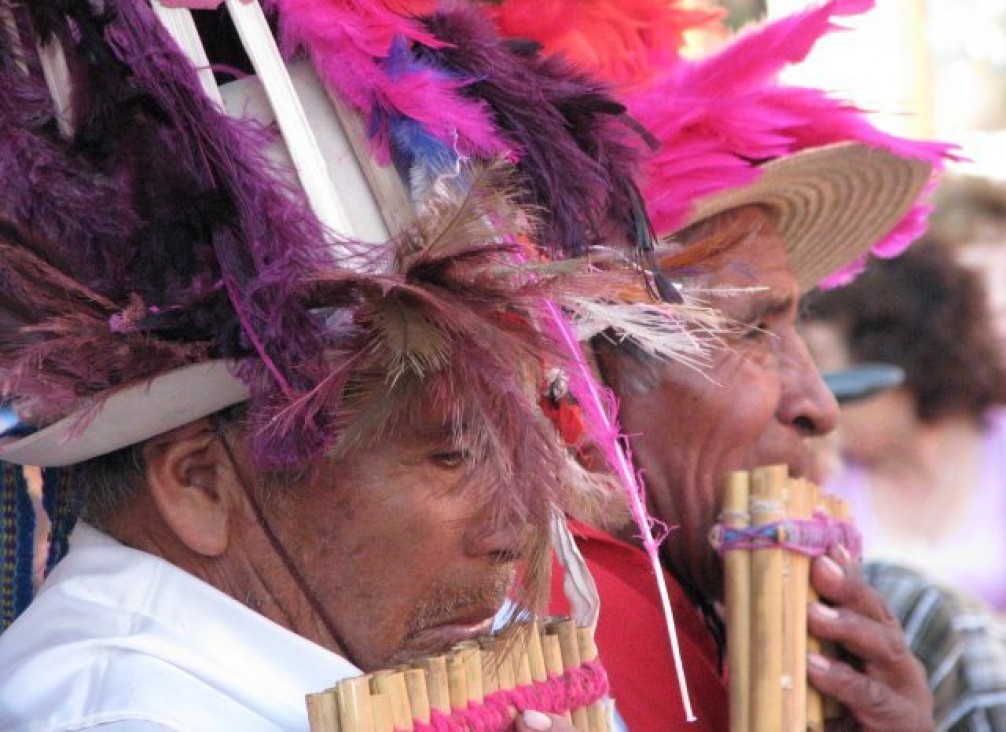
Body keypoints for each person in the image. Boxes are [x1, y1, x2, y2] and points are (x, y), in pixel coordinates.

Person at [0, 2, 667, 729]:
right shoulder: (123, 714)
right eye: (453, 453)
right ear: (197, 484)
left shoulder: (397, 627)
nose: (521, 529)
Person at [487, 0, 979, 730]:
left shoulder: (695, 616)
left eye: (794, 324)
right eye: (751, 330)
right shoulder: (536, 641)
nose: (820, 404)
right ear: (584, 382)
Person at [802, 236, 1006, 612]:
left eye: (821, 359)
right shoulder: (820, 482)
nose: (812, 392)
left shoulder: (998, 449)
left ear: (894, 350)